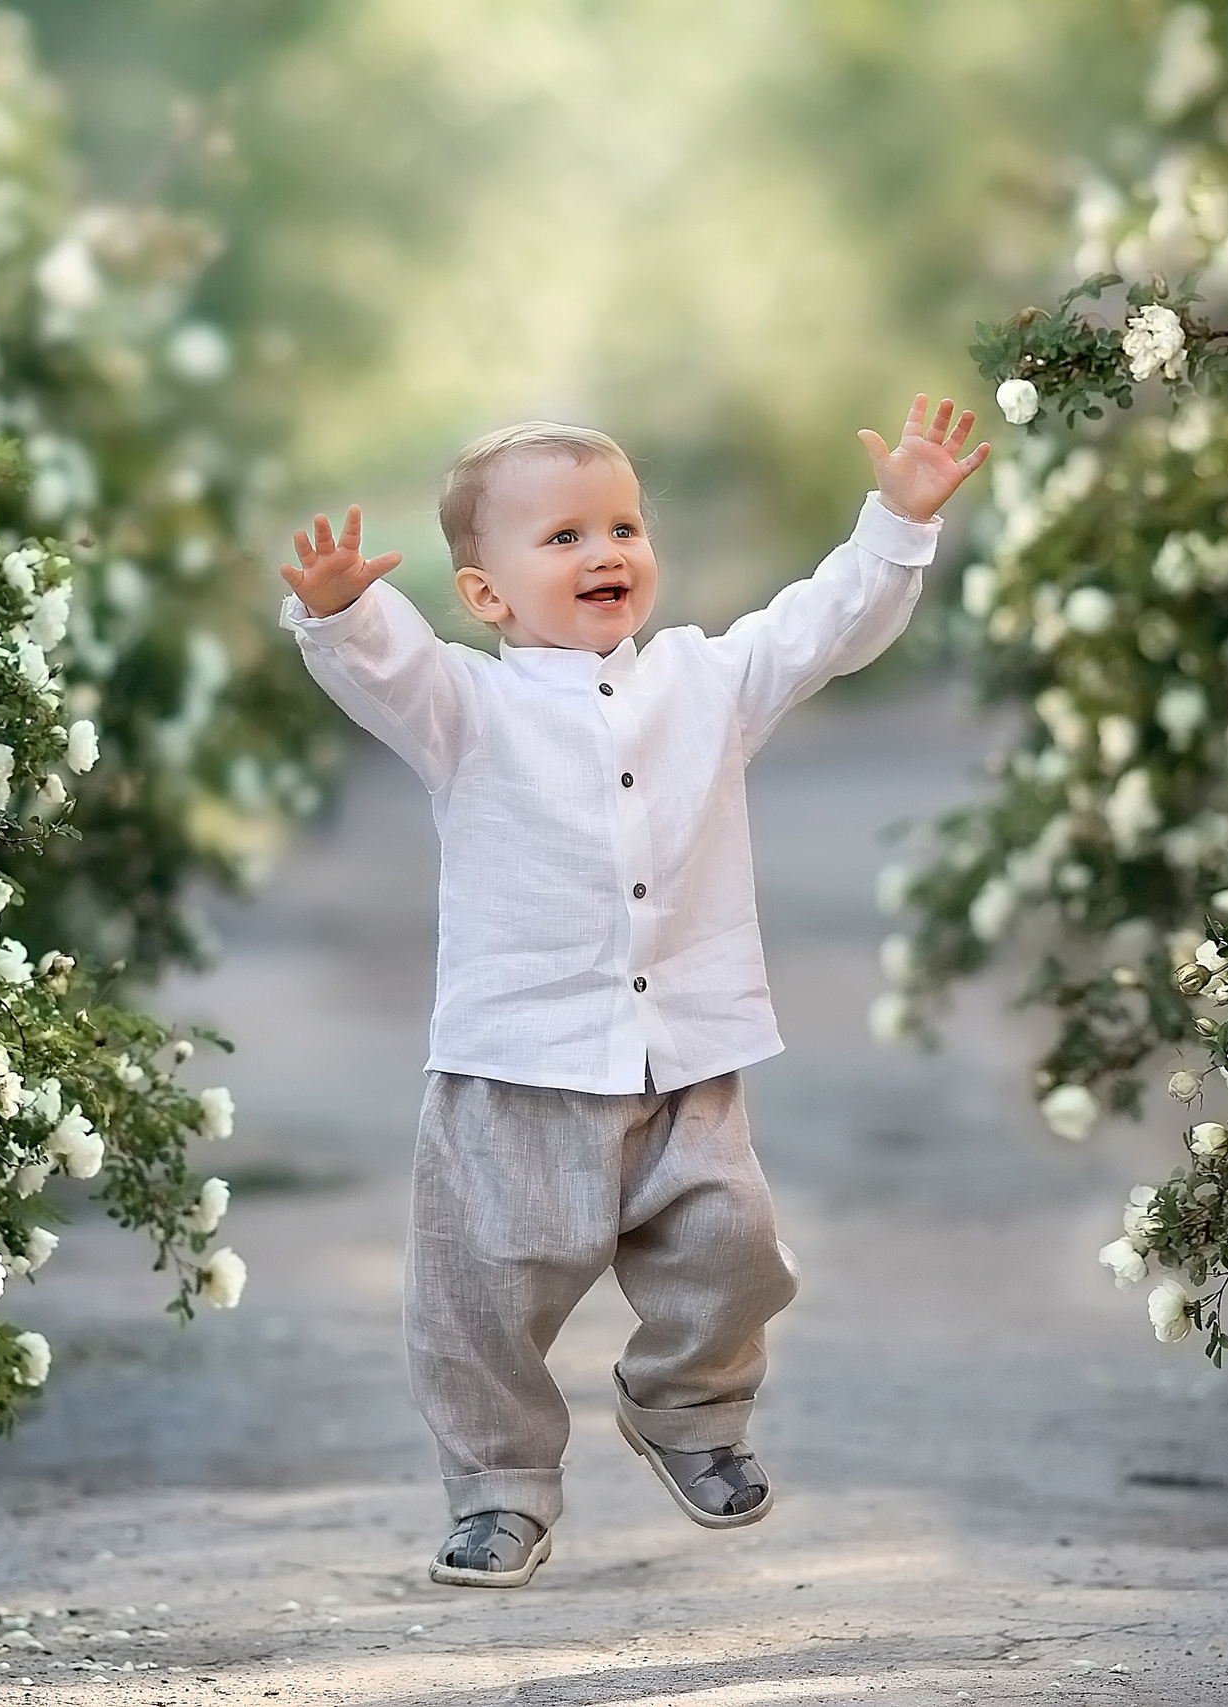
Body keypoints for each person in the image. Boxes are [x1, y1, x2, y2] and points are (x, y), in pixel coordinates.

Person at [278, 397, 990, 1588]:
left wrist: (895, 523)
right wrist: (341, 606)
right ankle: (500, 1485)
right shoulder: (470, 707)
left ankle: (685, 1411)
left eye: (620, 526)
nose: (603, 552)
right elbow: (385, 671)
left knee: (736, 1249)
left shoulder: (705, 684)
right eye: (560, 538)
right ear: (488, 594)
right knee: (480, 1297)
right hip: (517, 1065)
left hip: (685, 1056)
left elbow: (820, 628)